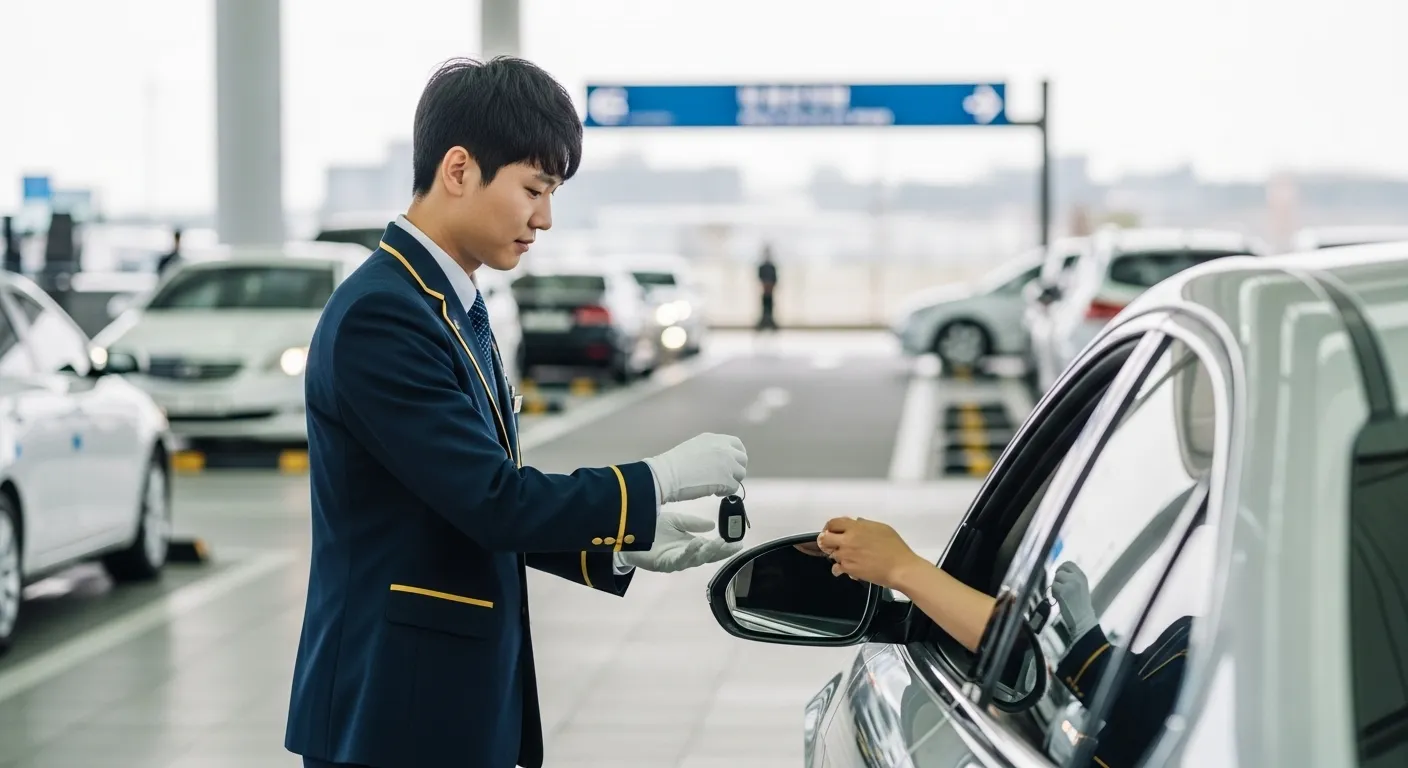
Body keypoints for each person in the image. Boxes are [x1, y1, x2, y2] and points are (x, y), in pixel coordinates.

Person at [284, 57, 750, 768]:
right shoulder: (385, 314)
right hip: (392, 711)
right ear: (460, 169)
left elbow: (455, 501)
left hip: (434, 700)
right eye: (535, 188)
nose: (546, 218)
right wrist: (651, 485)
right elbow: (491, 501)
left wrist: (621, 540)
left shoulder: (447, 302)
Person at [817, 517, 1191, 768]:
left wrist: (903, 569)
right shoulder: (1212, 633)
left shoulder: (1217, 643)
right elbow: (1147, 685)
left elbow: (1147, 713)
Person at [756, 244, 778, 332]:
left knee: (771, 308)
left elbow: (775, 278)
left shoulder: (772, 267)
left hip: (770, 292)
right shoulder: (762, 266)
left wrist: (770, 286)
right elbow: (760, 277)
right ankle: (763, 323)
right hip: (765, 292)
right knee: (764, 308)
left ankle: (770, 323)